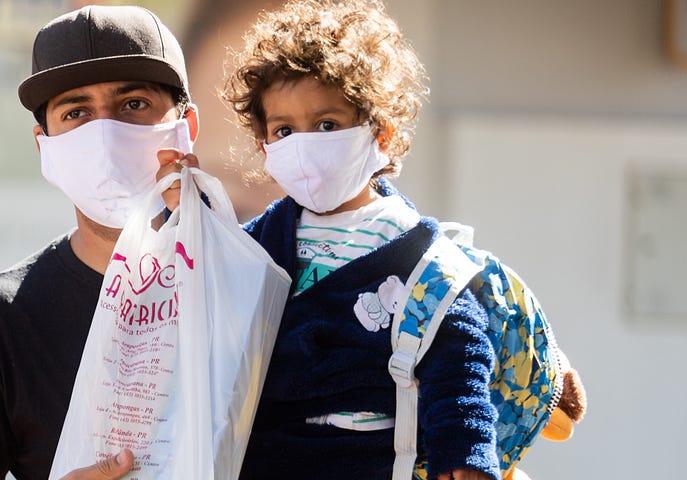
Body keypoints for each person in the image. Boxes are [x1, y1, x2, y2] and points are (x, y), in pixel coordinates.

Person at [158, 0, 498, 478]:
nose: (304, 144)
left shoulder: (420, 254)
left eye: (326, 125)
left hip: (369, 461)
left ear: (381, 133)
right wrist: (186, 215)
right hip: (266, 457)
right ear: (264, 146)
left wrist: (465, 453)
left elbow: (458, 356)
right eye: (284, 130)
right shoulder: (261, 241)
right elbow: (211, 288)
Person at [0, 6, 203, 479]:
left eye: (134, 104)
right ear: (47, 149)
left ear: (187, 128)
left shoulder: (261, 288)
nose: (104, 133)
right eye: (76, 112)